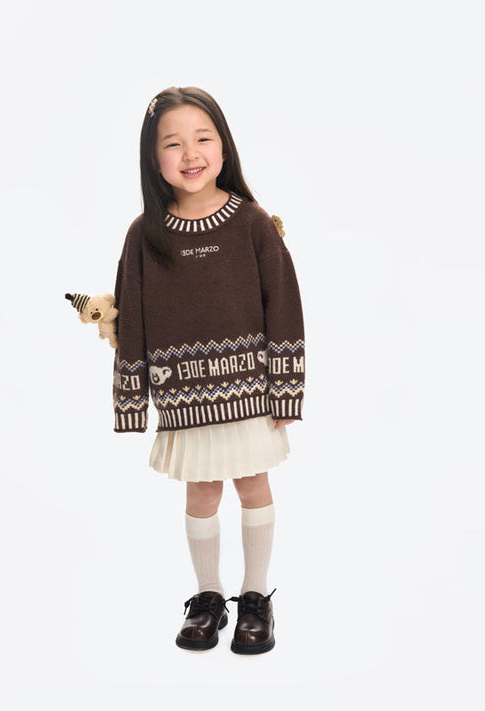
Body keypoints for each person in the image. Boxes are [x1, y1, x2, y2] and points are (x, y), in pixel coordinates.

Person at [113, 86, 305, 655]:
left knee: (253, 485)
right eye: (173, 143)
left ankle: (255, 598)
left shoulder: (252, 223)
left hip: (250, 392)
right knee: (201, 491)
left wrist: (285, 389)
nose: (191, 153)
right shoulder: (144, 235)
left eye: (203, 138)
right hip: (184, 397)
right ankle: (208, 597)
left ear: (224, 146)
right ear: (153, 158)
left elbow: (284, 306)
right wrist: (131, 399)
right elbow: (131, 320)